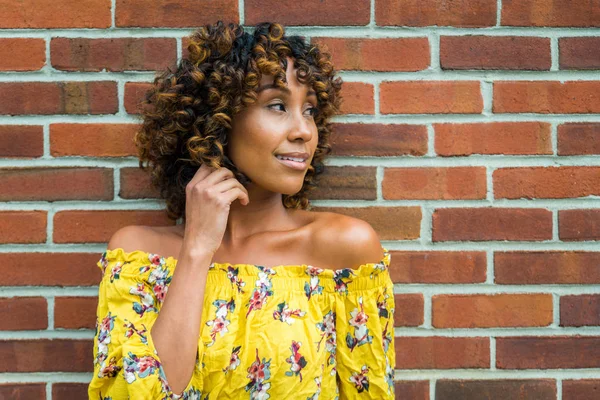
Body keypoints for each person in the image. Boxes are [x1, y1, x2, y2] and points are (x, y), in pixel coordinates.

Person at [87, 20, 395, 400]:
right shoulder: (138, 258)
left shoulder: (344, 252)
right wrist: (197, 250)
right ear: (220, 120)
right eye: (278, 105)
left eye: (311, 111)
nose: (303, 131)